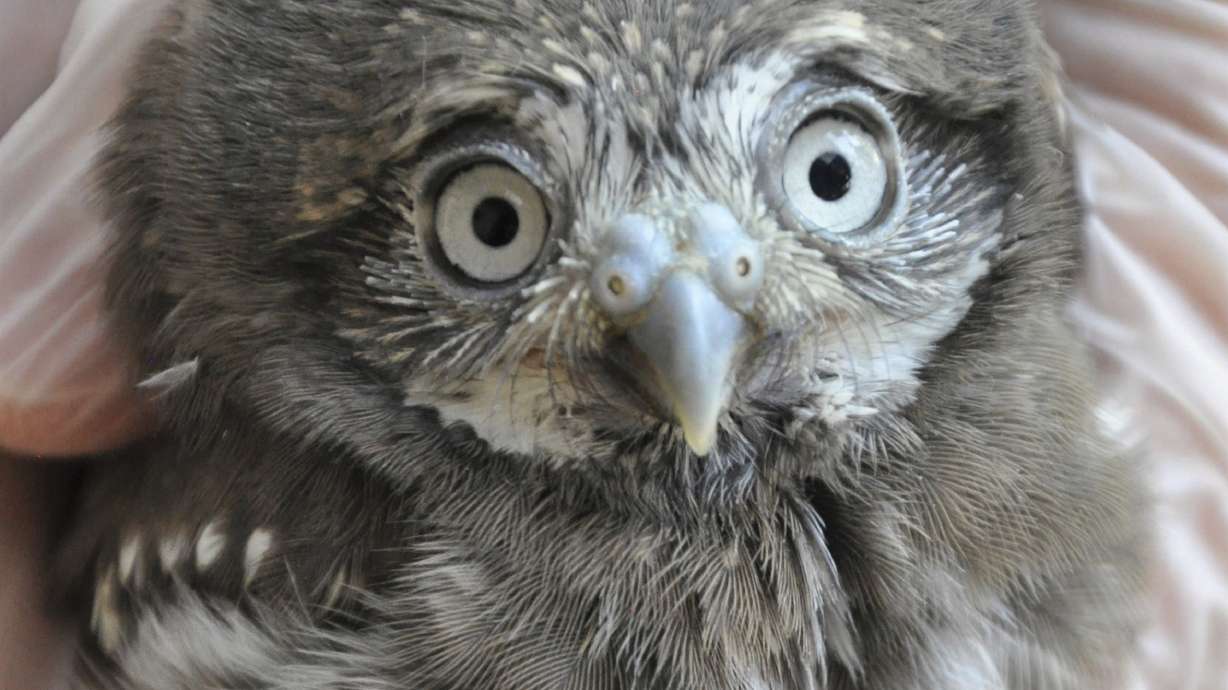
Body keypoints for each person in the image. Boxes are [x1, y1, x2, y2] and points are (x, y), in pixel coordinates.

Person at [2, 1, 1226, 688]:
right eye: (491, 224)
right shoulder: (323, 539)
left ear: (998, 146)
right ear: (288, 274)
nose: (689, 307)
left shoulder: (1059, 476)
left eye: (829, 169)